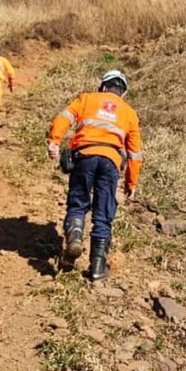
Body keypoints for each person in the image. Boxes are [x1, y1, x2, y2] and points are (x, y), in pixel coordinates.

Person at [46, 70, 143, 280]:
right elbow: (135, 153)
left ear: (103, 86)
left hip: (85, 156)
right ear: (123, 93)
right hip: (110, 162)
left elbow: (63, 118)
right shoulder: (129, 113)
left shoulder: (87, 99)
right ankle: (97, 267)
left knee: (78, 203)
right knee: (103, 212)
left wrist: (54, 141)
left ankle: (74, 238)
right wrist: (131, 182)